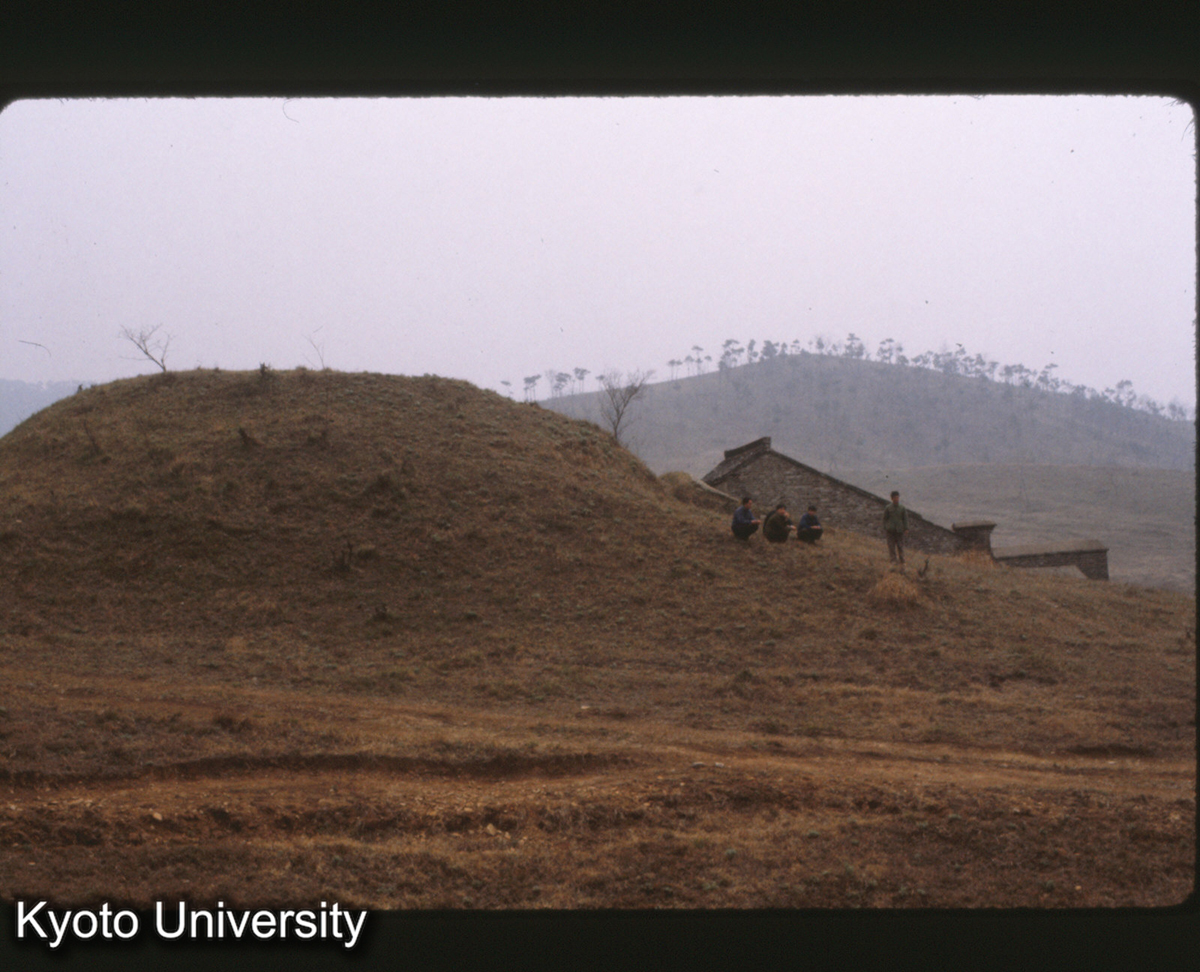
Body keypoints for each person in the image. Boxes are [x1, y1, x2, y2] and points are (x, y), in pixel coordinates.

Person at [882, 490, 908, 564]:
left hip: (899, 530)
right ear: (892, 498)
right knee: (891, 546)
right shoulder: (888, 508)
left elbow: (905, 518)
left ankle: (902, 560)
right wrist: (885, 527)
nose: (896, 499)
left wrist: (906, 528)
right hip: (890, 530)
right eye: (895, 497)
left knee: (900, 546)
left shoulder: (902, 508)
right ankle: (893, 560)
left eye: (897, 497)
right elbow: (884, 518)